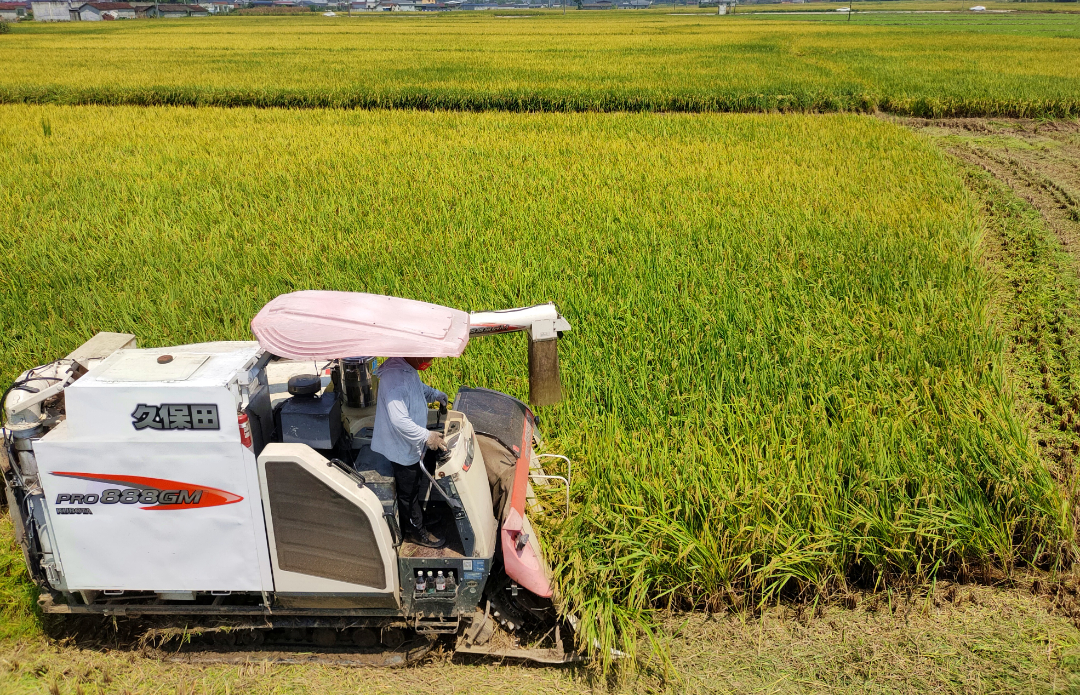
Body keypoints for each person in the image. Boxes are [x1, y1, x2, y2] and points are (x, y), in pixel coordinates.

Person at [371, 356, 449, 549]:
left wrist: (435, 394)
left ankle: (419, 517)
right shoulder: (394, 380)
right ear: (414, 354)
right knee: (409, 492)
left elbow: (417, 389)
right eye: (426, 358)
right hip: (401, 447)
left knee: (418, 482)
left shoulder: (405, 367)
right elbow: (399, 421)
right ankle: (415, 532)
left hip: (412, 443)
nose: (428, 361)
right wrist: (426, 436)